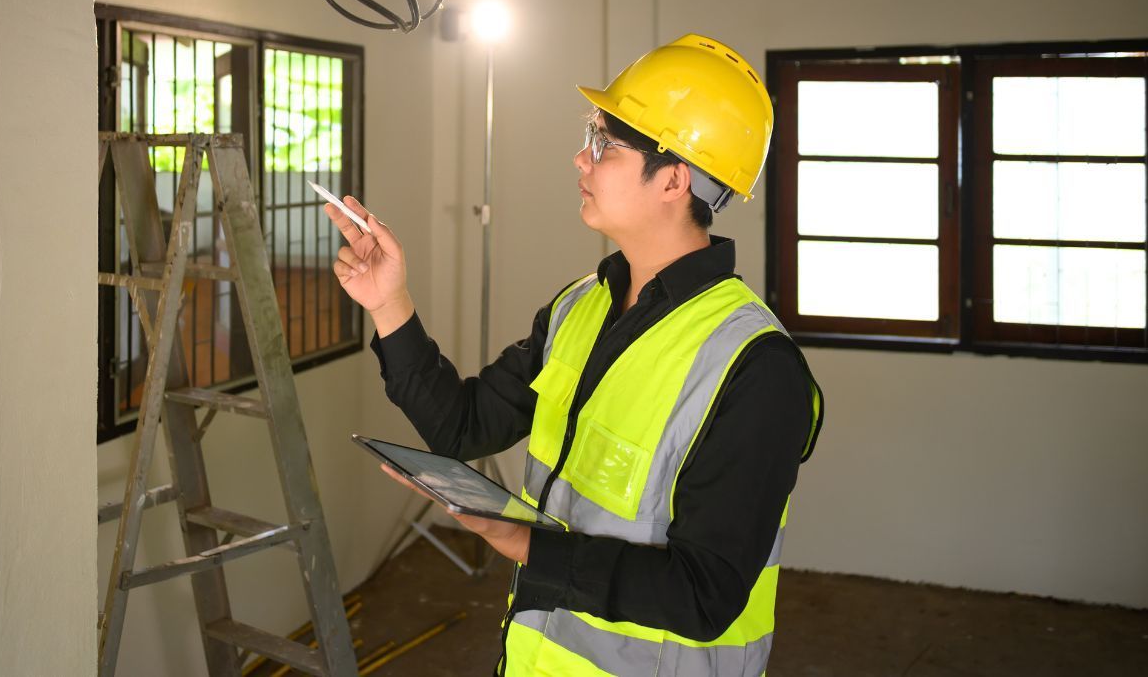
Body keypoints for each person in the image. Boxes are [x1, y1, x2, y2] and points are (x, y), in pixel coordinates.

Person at [324, 34, 824, 677]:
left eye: (603, 144)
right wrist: (390, 304)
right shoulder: (580, 308)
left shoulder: (754, 366)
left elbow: (706, 596)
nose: (579, 159)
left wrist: (523, 543)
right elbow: (463, 426)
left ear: (674, 178)